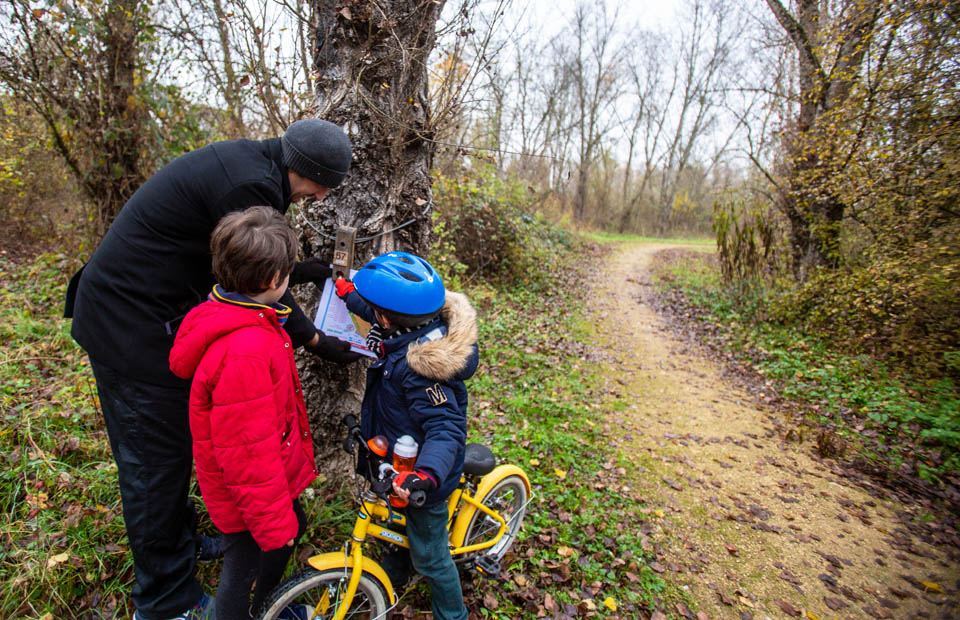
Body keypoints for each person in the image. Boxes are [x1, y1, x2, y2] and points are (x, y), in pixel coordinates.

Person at [63, 119, 361, 620]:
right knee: (153, 468)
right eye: (327, 181)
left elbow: (250, 267)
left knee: (172, 450)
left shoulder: (258, 168)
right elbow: (263, 285)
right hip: (128, 325)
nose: (325, 194)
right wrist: (314, 340)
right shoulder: (251, 187)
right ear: (310, 171)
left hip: (157, 319)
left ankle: (181, 546)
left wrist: (307, 270)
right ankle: (163, 600)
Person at [169, 207, 315, 620]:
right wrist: (273, 525)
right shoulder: (246, 351)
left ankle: (270, 606)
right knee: (242, 570)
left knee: (286, 534)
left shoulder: (232, 316)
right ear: (274, 281)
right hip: (247, 497)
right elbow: (248, 452)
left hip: (256, 489)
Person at [334, 252, 479, 620]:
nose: (371, 314)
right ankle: (394, 574)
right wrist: (347, 292)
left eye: (373, 309)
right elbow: (374, 316)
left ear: (387, 316)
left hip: (423, 478)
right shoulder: (410, 325)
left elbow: (446, 428)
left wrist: (426, 476)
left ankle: (453, 613)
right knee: (395, 528)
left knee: (431, 557)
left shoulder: (423, 370)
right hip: (396, 462)